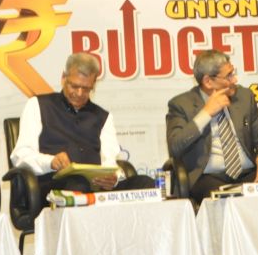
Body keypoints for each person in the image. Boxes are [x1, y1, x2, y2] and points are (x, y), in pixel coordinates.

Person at [10, 53, 155, 204]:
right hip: (52, 187)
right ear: (63, 78)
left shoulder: (103, 117)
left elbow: (110, 161)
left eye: (86, 89)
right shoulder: (38, 105)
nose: (79, 94)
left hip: (95, 189)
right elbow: (20, 155)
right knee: (78, 184)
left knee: (145, 184)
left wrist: (113, 178)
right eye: (74, 86)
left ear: (94, 85)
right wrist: (51, 161)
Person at [165, 49, 258, 204]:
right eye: (228, 76)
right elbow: (175, 146)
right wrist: (206, 113)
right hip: (207, 178)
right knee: (224, 201)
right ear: (208, 81)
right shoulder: (181, 104)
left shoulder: (244, 97)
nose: (235, 80)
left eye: (233, 73)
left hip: (248, 173)